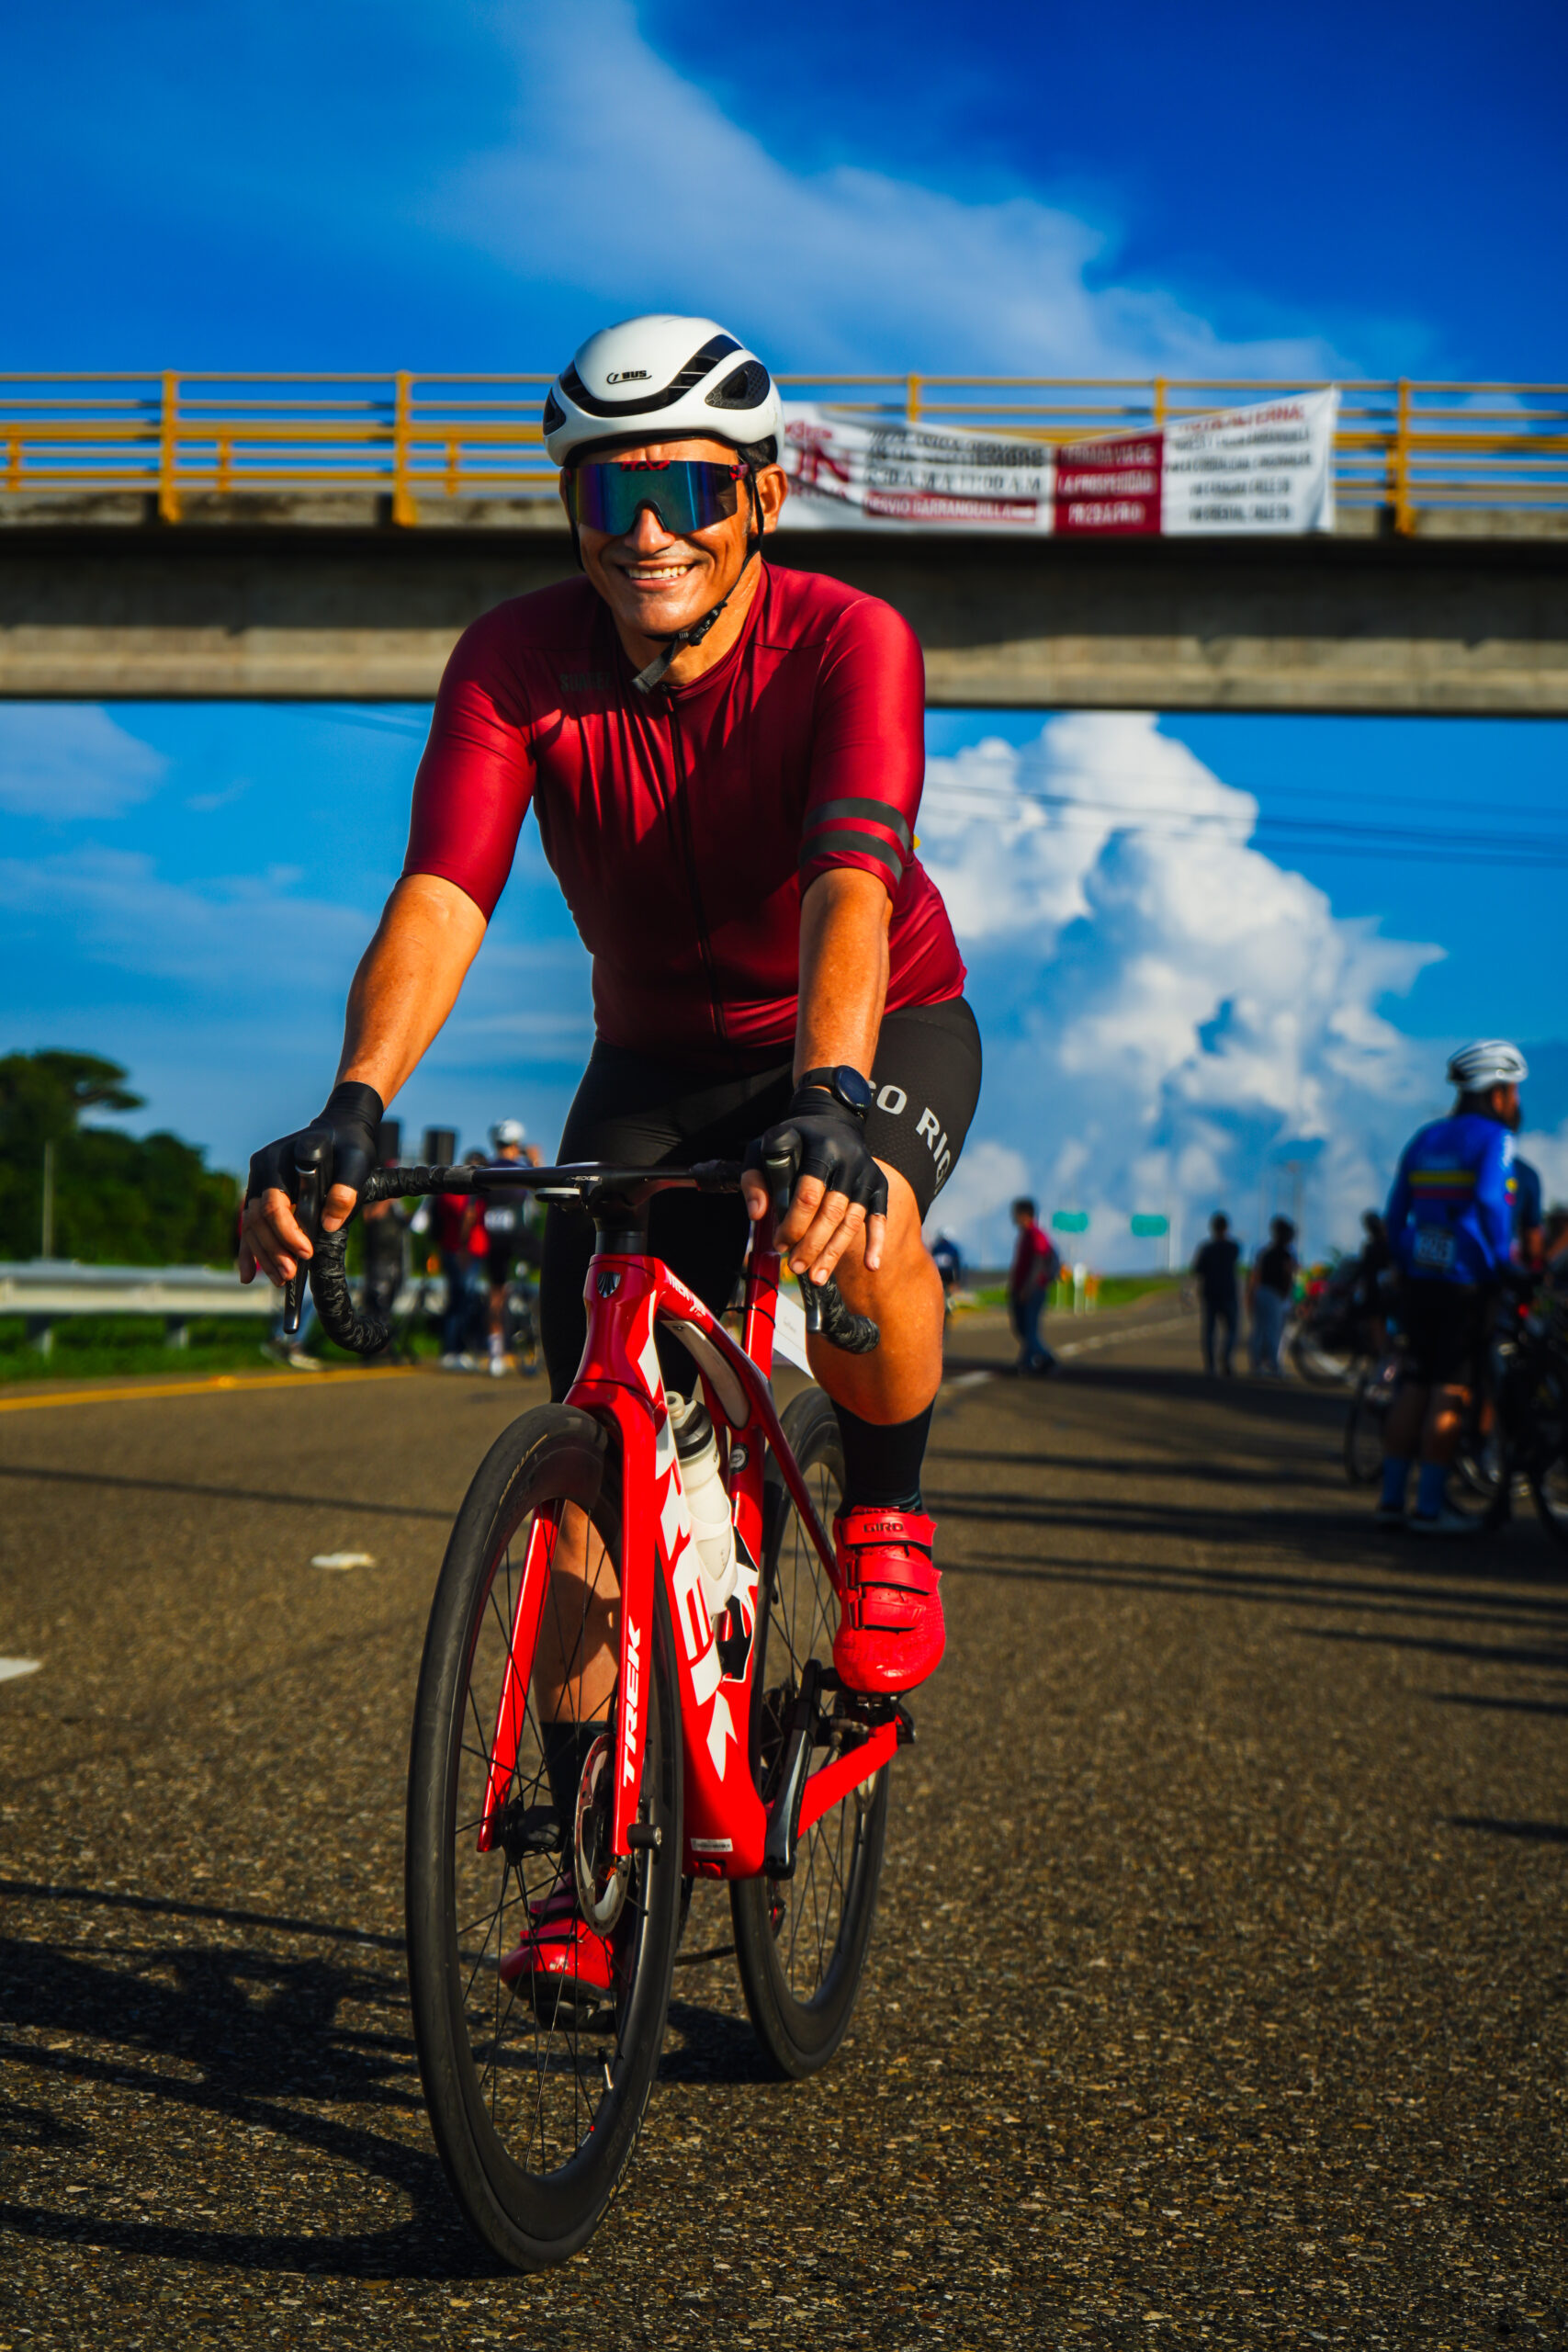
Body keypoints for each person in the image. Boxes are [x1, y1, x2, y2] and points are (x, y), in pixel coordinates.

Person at [239, 313, 983, 1997]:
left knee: (864, 1232)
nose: (640, 526)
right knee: (595, 1479)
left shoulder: (850, 639)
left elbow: (850, 882)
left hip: (867, 1026)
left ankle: (884, 1528)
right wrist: (355, 1099)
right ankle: (585, 1869)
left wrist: (832, 1099)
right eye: (601, 490)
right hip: (648, 1068)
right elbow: (444, 891)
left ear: (764, 496)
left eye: (682, 485)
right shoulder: (513, 659)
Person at [1376, 1039, 1525, 1535]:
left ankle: (1393, 1499)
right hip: (1467, 1281)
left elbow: (1396, 1212)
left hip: (1420, 1278)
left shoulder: (1425, 1138)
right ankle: (1430, 1507)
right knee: (1451, 1389)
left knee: (1414, 1383)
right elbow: (1489, 1198)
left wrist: (1405, 1258)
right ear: (1499, 1092)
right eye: (1514, 1091)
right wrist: (1503, 1260)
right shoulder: (1495, 1139)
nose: (1516, 1101)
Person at [480, 1118, 529, 1377]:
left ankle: (495, 1353)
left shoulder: (486, 1169)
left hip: (493, 1239)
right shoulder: (521, 1169)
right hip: (519, 1237)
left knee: (495, 1294)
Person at [1007, 1199, 1058, 1374]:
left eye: (1016, 1213)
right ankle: (1035, 1361)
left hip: (1032, 1291)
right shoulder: (1025, 1234)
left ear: (1024, 1215)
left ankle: (1038, 1361)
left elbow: (1038, 1263)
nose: (1013, 1217)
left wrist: (1027, 1289)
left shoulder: (1036, 1234)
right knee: (1023, 1328)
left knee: (1029, 1329)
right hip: (1024, 1289)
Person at [1192, 1213, 1241, 1377]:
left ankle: (1211, 1366)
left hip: (1210, 1293)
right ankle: (1226, 1357)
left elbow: (1197, 1270)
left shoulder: (1206, 1248)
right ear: (1226, 1228)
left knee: (1209, 1332)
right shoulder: (1233, 1247)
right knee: (1232, 1330)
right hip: (1228, 1292)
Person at [1247, 1216, 1297, 1376]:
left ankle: (1257, 1364)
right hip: (1274, 1295)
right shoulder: (1285, 1253)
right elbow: (1289, 1275)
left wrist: (1251, 1294)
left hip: (1262, 1293)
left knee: (1260, 1330)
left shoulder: (1265, 1251)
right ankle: (1273, 1365)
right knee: (1273, 1332)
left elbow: (1256, 1274)